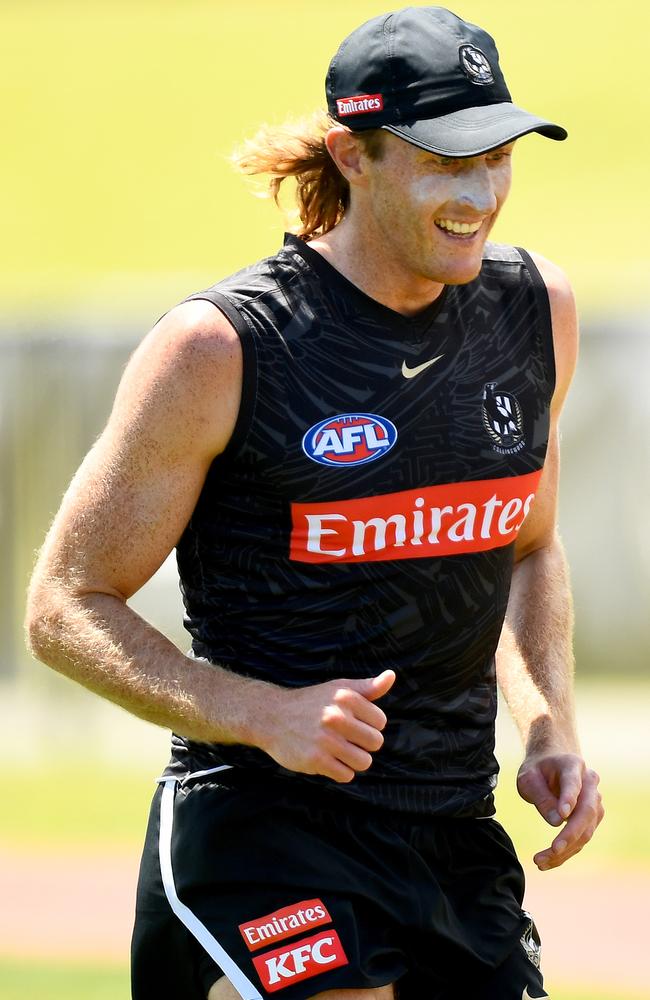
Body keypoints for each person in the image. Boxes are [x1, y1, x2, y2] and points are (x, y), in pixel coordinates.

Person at [26, 7, 604, 1000]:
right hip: (262, 832)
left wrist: (546, 723)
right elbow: (63, 606)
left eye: (496, 159)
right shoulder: (221, 349)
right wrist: (259, 712)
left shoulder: (532, 310)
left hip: (453, 837)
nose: (480, 195)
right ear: (353, 153)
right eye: (443, 164)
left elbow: (524, 547)